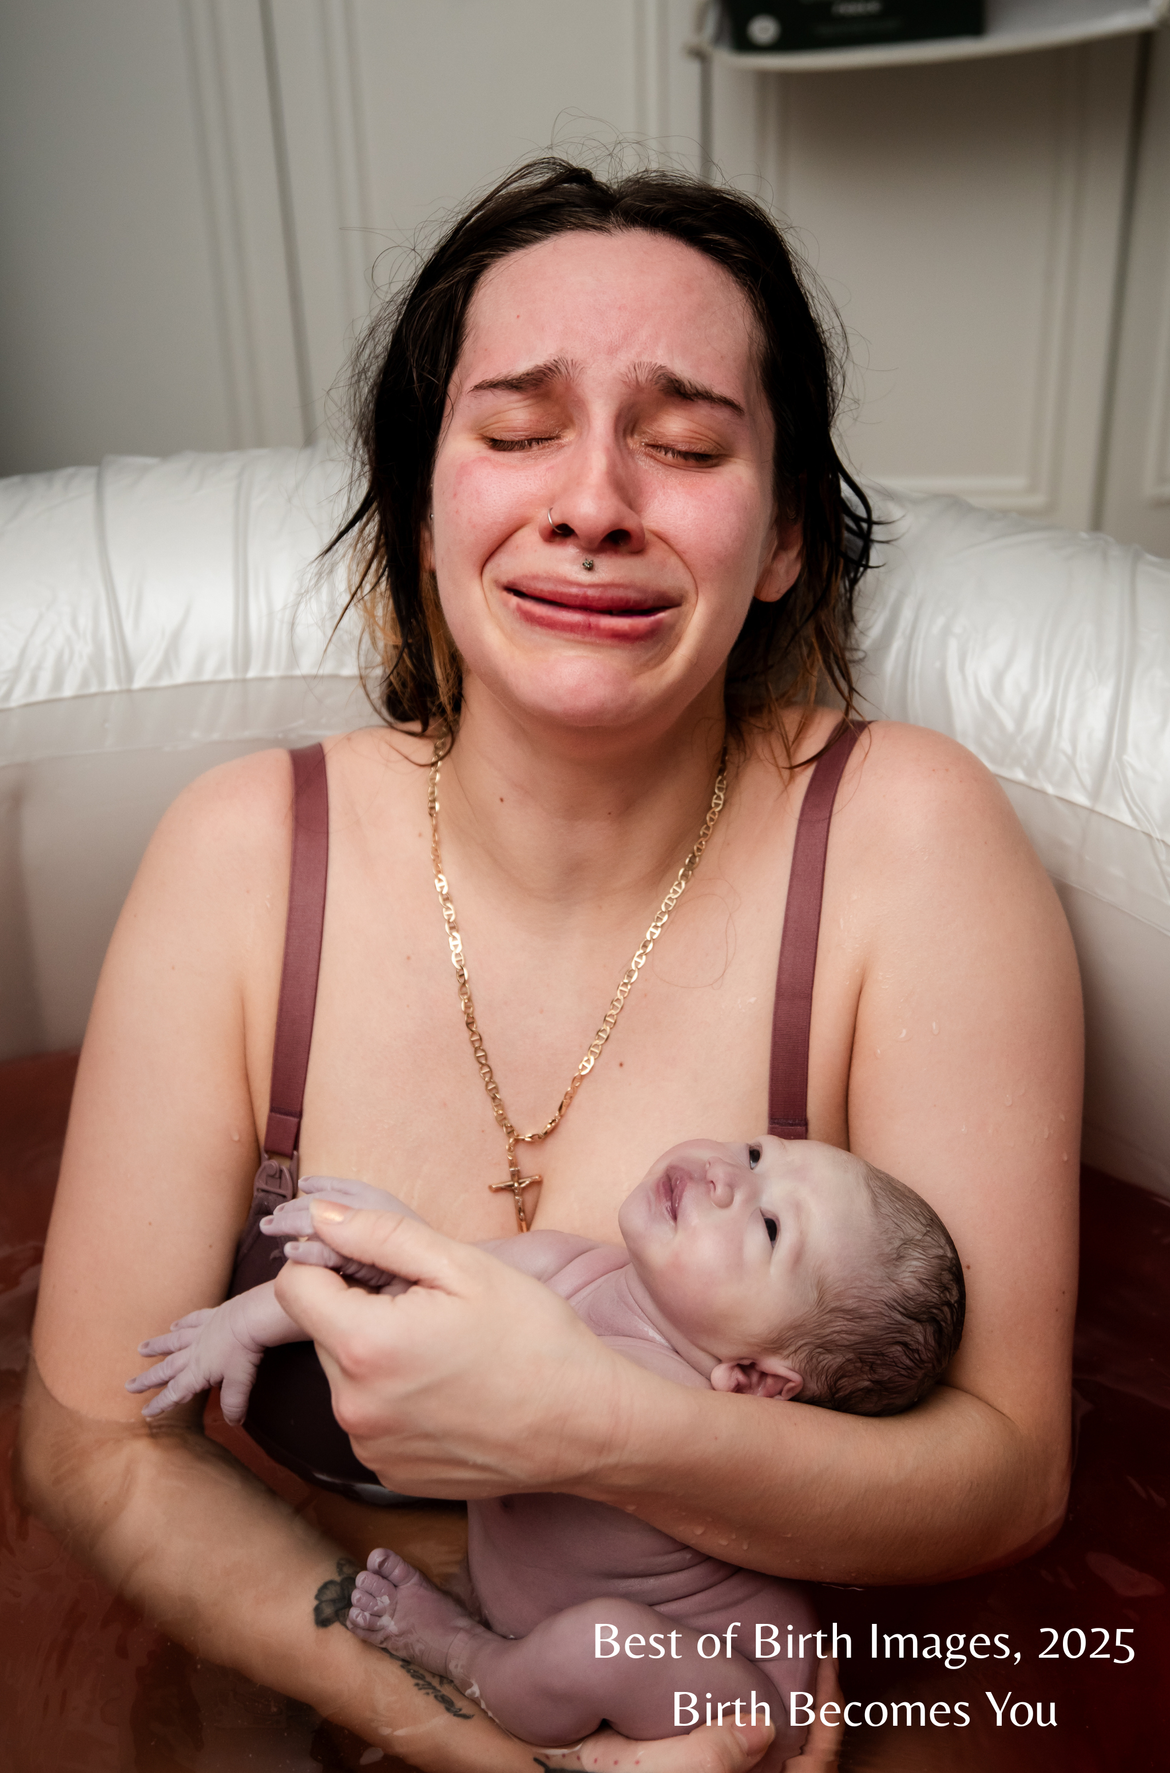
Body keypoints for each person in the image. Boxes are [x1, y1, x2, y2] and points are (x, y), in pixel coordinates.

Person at [19, 156, 1081, 1773]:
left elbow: (1007, 1469)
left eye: (688, 442)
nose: (592, 500)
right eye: (516, 432)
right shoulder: (242, 859)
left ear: (785, 532)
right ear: (426, 500)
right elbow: (97, 1431)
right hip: (331, 1660)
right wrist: (472, 1736)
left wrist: (591, 1426)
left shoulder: (909, 843)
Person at [127, 1136, 964, 1759]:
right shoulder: (571, 1266)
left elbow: (446, 1322)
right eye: (757, 1152)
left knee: (597, 1638)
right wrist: (252, 1316)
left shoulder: (684, 1397)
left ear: (754, 1378)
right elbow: (416, 1285)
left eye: (771, 1223)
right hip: (625, 1667)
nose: (727, 1175)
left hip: (738, 1704)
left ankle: (460, 1650)